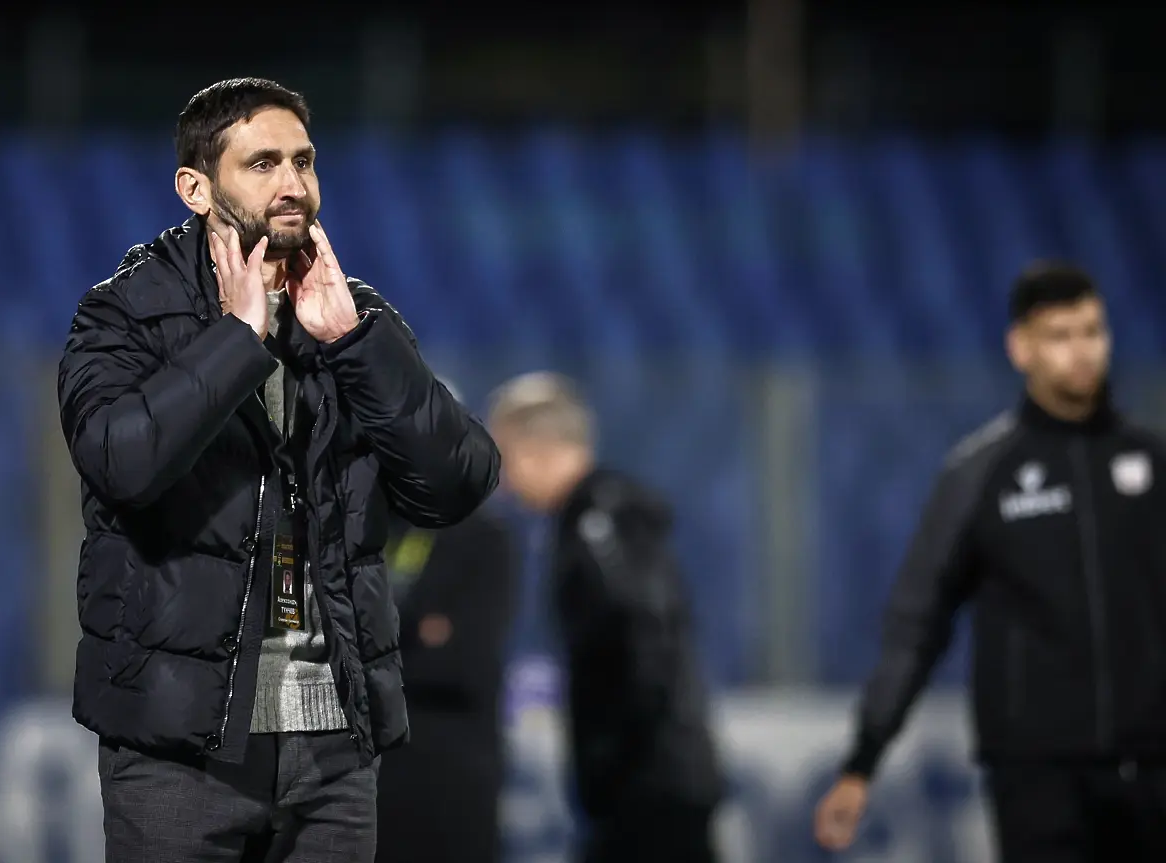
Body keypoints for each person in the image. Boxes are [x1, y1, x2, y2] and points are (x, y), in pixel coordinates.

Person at [57, 77, 500, 863]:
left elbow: (459, 481)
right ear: (196, 188)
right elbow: (122, 464)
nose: (293, 183)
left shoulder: (350, 316)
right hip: (183, 748)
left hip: (333, 746)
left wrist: (355, 345)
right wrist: (237, 337)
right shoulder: (125, 313)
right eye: (263, 163)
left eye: (304, 160)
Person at [814, 263, 1166, 862]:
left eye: (1092, 331)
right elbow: (917, 622)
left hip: (1153, 768)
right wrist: (863, 759)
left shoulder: (1152, 462)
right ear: (1020, 348)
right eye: (1059, 336)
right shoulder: (980, 473)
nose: (1082, 352)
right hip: (1037, 778)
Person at [486, 372, 722, 863]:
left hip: (650, 784)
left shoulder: (599, 522)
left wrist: (618, 754)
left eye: (506, 459)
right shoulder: (594, 517)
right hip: (647, 777)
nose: (505, 482)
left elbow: (644, 630)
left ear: (537, 450)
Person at [374, 501, 517, 863]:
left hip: (453, 777)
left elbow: (465, 661)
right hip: (376, 776)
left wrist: (376, 657)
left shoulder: (483, 537)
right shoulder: (366, 530)